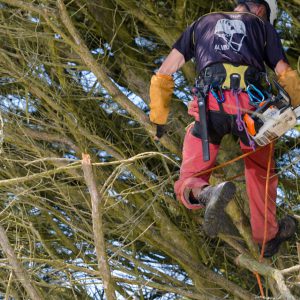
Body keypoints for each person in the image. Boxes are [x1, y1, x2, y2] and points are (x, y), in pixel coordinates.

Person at [149, 0, 300, 257]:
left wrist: (158, 117)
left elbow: (164, 72)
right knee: (261, 172)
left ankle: (205, 193)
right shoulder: (262, 28)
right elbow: (285, 73)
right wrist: (295, 107)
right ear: (263, 10)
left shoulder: (200, 25)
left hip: (210, 109)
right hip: (252, 108)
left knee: (188, 175)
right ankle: (266, 237)